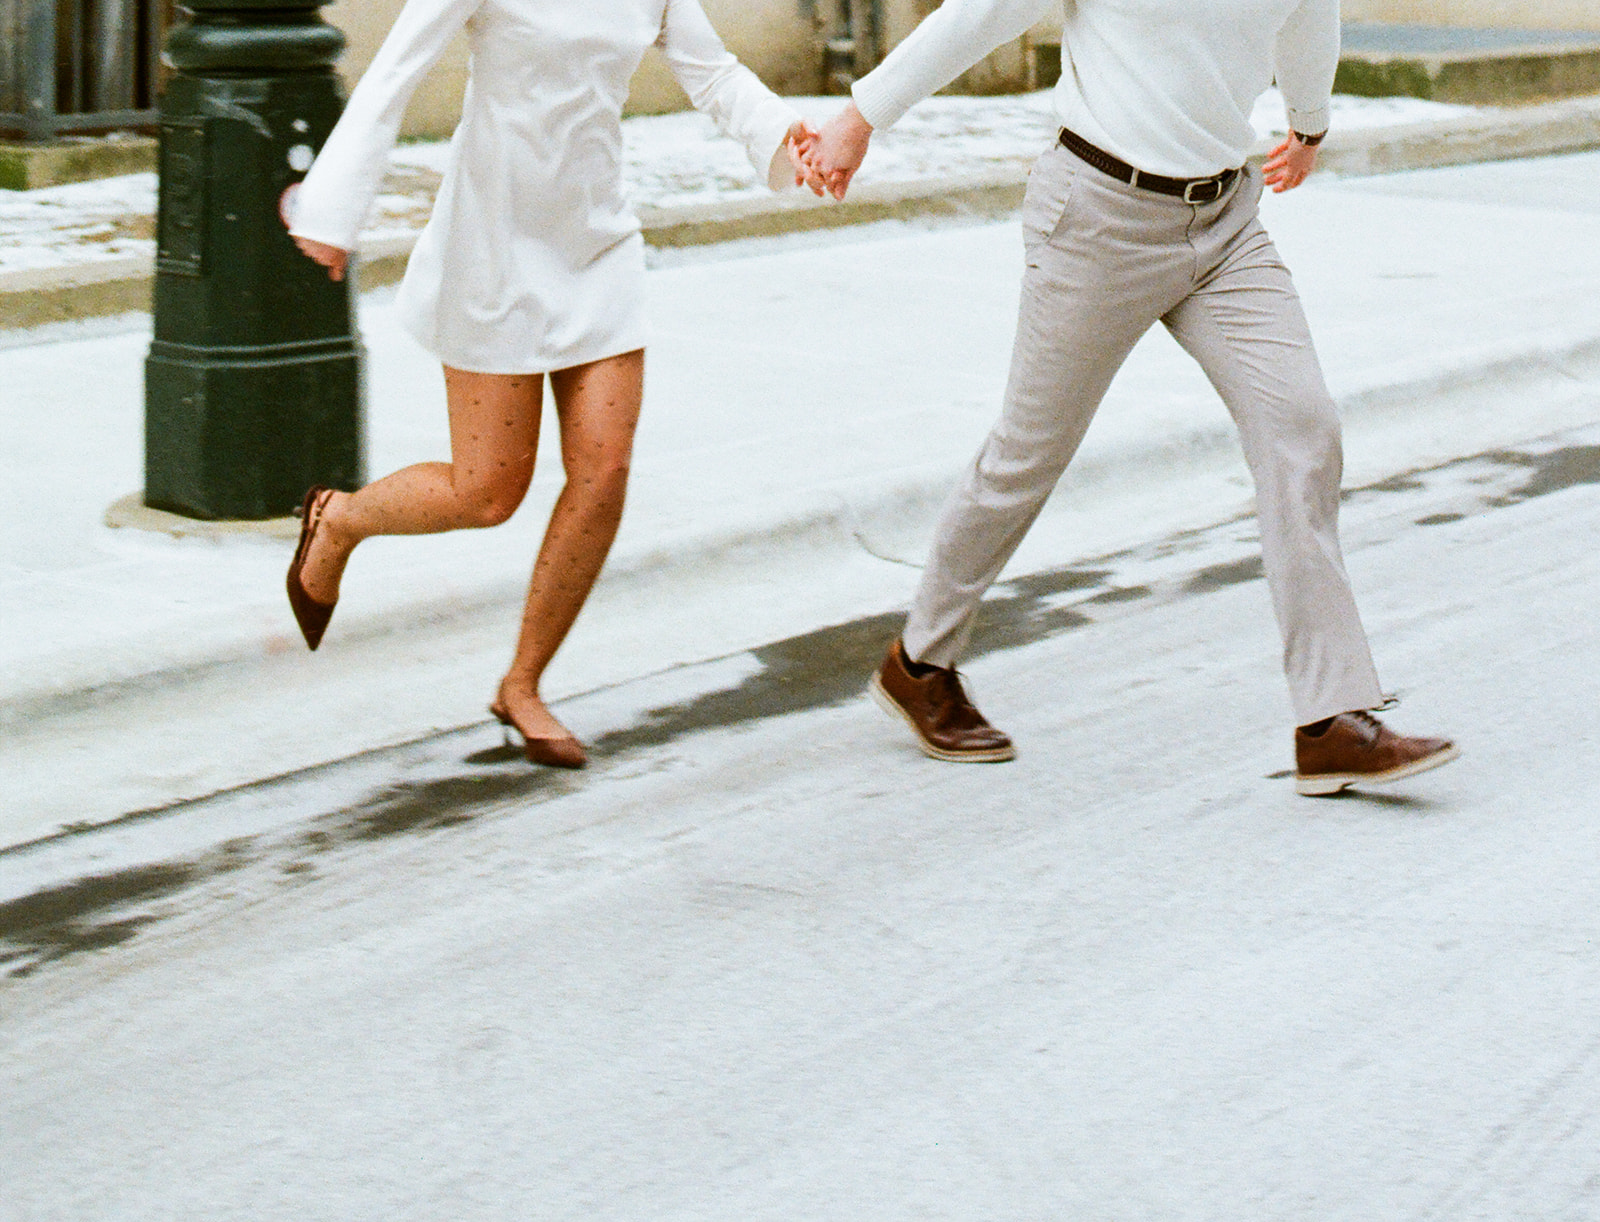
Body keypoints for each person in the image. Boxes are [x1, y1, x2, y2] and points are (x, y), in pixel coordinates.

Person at [811, 0, 1458, 796]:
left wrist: (1310, 120)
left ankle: (1333, 721)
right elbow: (984, 12)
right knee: (1026, 456)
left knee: (1303, 429)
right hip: (1098, 221)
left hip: (1223, 222)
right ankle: (919, 664)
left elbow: (1308, 17)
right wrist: (862, 116)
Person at [284, 0, 824, 769]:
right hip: (493, 248)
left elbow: (715, 74)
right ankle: (338, 520)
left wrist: (783, 136)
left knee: (603, 471)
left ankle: (523, 684)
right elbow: (393, 73)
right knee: (487, 493)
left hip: (596, 241)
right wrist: (334, 211)